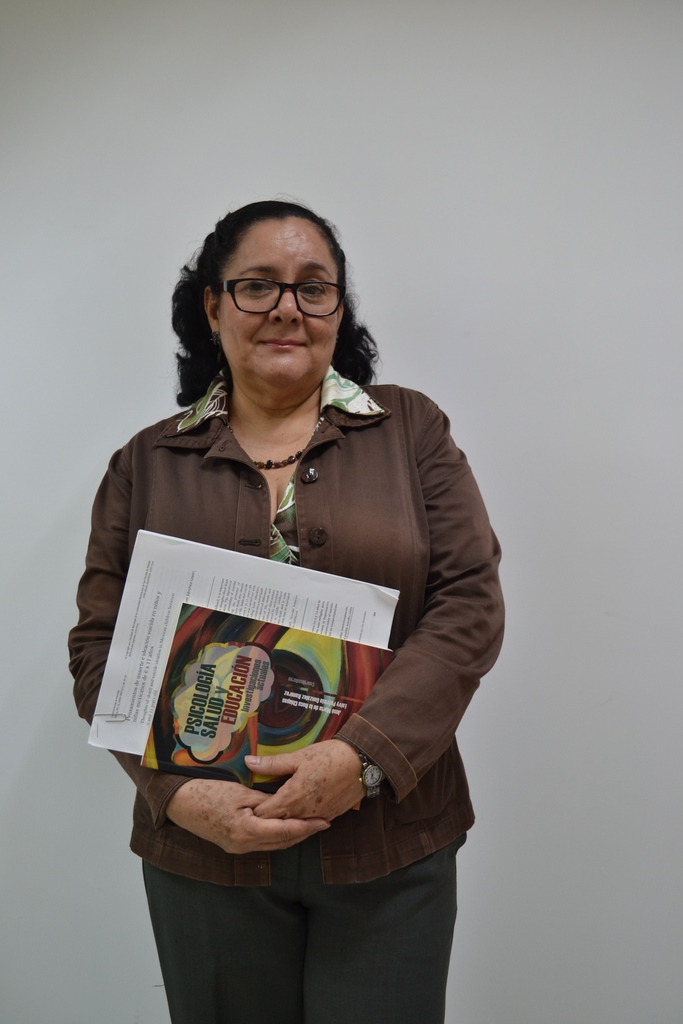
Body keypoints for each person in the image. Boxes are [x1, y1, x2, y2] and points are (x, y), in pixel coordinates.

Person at [69, 199, 504, 1024]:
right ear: (212, 305)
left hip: (390, 840)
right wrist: (174, 796)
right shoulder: (145, 463)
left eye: (313, 288)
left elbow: (468, 605)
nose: (286, 309)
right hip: (205, 850)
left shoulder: (410, 430)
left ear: (338, 308)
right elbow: (100, 650)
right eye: (258, 285)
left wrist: (360, 758)